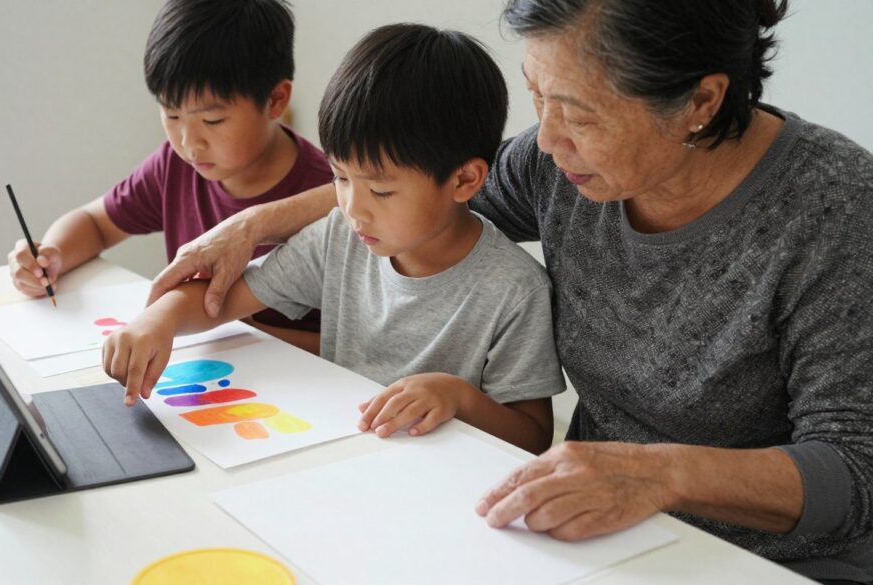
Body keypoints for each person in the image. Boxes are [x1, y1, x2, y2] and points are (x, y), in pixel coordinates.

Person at [143, 1, 873, 582]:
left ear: (700, 101)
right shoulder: (562, 170)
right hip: (582, 527)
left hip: (771, 562)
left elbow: (855, 467)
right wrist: (254, 224)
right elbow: (420, 197)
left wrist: (662, 472)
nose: (546, 139)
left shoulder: (836, 209)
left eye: (579, 113)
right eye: (536, 96)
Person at [104, 23, 566, 454]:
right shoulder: (340, 239)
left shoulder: (514, 288)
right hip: (337, 455)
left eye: (381, 191)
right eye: (340, 178)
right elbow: (221, 298)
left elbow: (533, 436)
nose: (352, 208)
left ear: (464, 180)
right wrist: (159, 320)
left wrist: (458, 397)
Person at [6, 0, 328, 354]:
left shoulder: (331, 196)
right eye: (172, 115)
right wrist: (51, 257)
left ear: (276, 99)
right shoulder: (175, 166)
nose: (189, 143)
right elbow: (96, 223)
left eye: (213, 121)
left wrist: (234, 326)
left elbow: (352, 347)